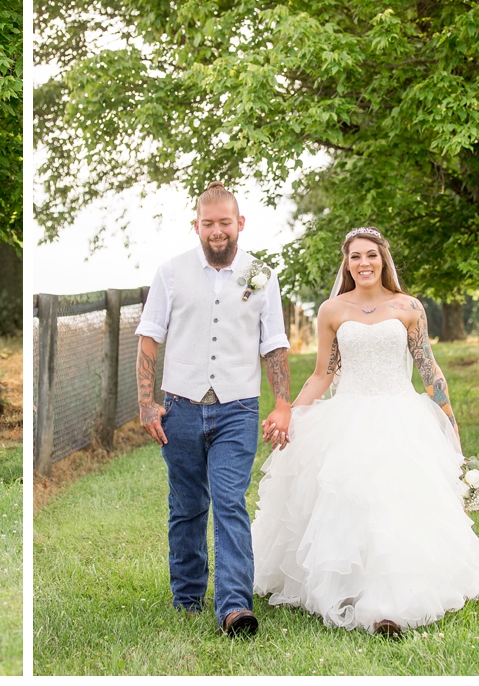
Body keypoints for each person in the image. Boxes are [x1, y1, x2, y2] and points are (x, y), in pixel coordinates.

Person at [251, 227, 479, 636]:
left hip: (401, 417)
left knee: (396, 507)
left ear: (384, 260)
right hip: (347, 417)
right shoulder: (332, 310)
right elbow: (322, 376)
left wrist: (451, 427)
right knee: (349, 504)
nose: (364, 263)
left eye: (371, 256)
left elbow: (429, 370)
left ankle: (389, 605)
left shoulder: (408, 306)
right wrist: (288, 412)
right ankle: (348, 586)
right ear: (346, 263)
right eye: (356, 256)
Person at [135, 182, 292, 636]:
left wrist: (282, 403)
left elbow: (274, 343)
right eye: (209, 224)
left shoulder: (260, 273)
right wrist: (147, 403)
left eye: (225, 222)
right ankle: (187, 597)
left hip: (238, 408)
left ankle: (233, 606)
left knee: (228, 502)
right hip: (180, 408)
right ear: (197, 226)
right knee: (186, 505)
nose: (217, 231)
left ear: (239, 223)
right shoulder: (171, 272)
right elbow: (149, 337)